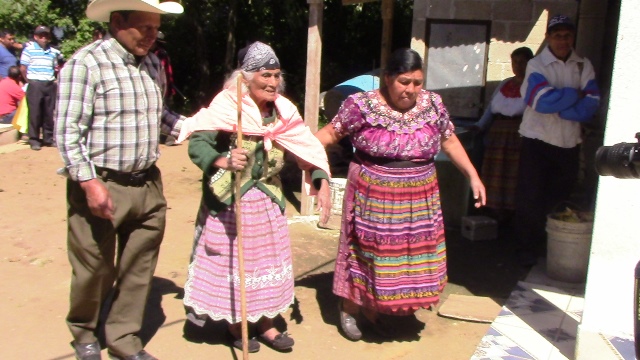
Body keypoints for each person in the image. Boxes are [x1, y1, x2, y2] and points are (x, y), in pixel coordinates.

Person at [314, 48, 486, 341]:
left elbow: (449, 140)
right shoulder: (361, 105)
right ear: (387, 78)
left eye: (417, 83)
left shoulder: (432, 104)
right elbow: (326, 136)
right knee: (366, 253)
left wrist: (473, 175)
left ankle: (379, 309)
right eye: (404, 82)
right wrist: (320, 178)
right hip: (372, 194)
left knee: (405, 257)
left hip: (419, 197)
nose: (411, 90)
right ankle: (351, 308)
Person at [176, 41, 332, 353]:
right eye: (265, 75)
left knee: (266, 263)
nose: (273, 82)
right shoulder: (226, 106)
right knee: (234, 264)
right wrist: (221, 160)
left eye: (276, 75)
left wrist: (320, 179)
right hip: (230, 202)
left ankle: (266, 323)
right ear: (245, 77)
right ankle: (236, 322)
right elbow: (198, 144)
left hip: (266, 202)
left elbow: (306, 147)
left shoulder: (284, 111)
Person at [54, 0, 184, 359]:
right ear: (117, 21)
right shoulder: (86, 64)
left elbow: (161, 118)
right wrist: (88, 181)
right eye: (144, 27)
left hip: (147, 183)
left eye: (156, 29)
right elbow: (67, 132)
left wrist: (194, 126)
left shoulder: (154, 64)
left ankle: (123, 338)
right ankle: (84, 332)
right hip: (102, 183)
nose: (151, 36)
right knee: (94, 267)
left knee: (139, 265)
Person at [514, 15, 600, 266]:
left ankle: (550, 248)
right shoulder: (537, 65)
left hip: (569, 142)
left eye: (567, 36)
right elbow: (540, 101)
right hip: (537, 140)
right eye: (557, 35)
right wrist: (575, 94)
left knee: (560, 199)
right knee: (530, 198)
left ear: (573, 37)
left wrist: (562, 105)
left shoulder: (583, 65)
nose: (563, 41)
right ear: (548, 37)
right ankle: (525, 251)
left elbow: (591, 105)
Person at [473, 47, 534, 223]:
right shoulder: (505, 84)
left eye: (521, 62)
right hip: (497, 134)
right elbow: (491, 108)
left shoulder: (533, 84)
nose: (517, 66)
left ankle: (511, 211)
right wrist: (480, 126)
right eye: (515, 62)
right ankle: (493, 209)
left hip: (517, 134)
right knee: (494, 171)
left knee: (513, 172)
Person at [19, 25, 63, 151]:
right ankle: (34, 139)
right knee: (35, 113)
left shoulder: (53, 52)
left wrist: (54, 80)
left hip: (49, 84)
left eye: (46, 35)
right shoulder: (29, 50)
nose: (43, 38)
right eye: (41, 35)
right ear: (35, 37)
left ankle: (48, 139)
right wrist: (30, 81)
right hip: (35, 83)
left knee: (49, 113)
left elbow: (55, 67)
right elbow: (23, 68)